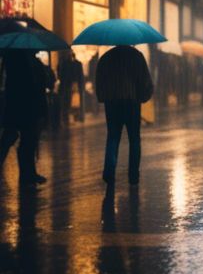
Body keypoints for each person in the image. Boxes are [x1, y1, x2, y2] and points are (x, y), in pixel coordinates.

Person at [96, 45, 154, 185]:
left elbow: (99, 80)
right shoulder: (137, 56)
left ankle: (109, 173)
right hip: (131, 103)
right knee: (134, 139)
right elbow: (146, 81)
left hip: (112, 103)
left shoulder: (106, 58)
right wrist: (142, 97)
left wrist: (103, 97)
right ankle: (133, 175)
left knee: (113, 137)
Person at [0, 50, 52, 185]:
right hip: (25, 107)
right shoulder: (19, 60)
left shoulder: (16, 59)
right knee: (24, 141)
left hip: (22, 107)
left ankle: (29, 173)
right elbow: (32, 85)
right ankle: (28, 174)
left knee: (22, 140)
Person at [58, 50, 85, 127]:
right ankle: (71, 117)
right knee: (70, 102)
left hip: (71, 85)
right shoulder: (68, 64)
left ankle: (72, 117)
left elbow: (62, 75)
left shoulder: (67, 64)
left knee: (71, 102)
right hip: (70, 85)